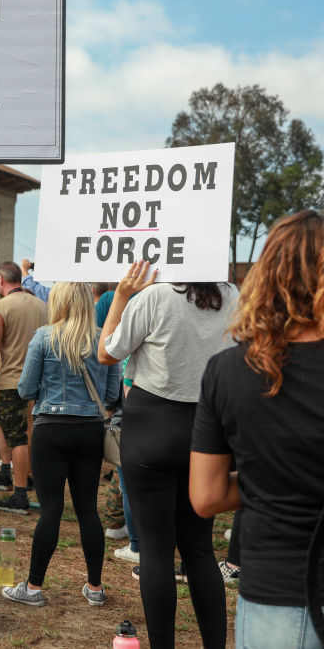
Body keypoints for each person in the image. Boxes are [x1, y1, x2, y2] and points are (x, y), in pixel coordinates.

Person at [190, 210, 324, 648]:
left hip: (276, 592)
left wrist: (270, 479)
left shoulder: (228, 371)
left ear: (264, 277)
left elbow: (206, 496)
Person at [98, 261, 235, 649]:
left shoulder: (156, 296)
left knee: (156, 551)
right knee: (199, 549)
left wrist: (121, 295)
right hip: (208, 429)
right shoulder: (232, 295)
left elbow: (106, 353)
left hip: (152, 428)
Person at [1, 282, 120, 608]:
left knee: (50, 509)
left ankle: (34, 587)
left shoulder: (44, 337)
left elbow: (25, 389)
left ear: (59, 301)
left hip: (50, 429)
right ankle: (95, 587)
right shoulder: (102, 339)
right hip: (90, 430)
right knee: (88, 510)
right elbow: (112, 395)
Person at [0, 261, 47, 513]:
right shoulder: (41, 305)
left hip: (12, 379)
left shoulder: (1, 306)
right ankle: (9, 473)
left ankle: (19, 493)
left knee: (16, 435)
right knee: (17, 426)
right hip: (37, 380)